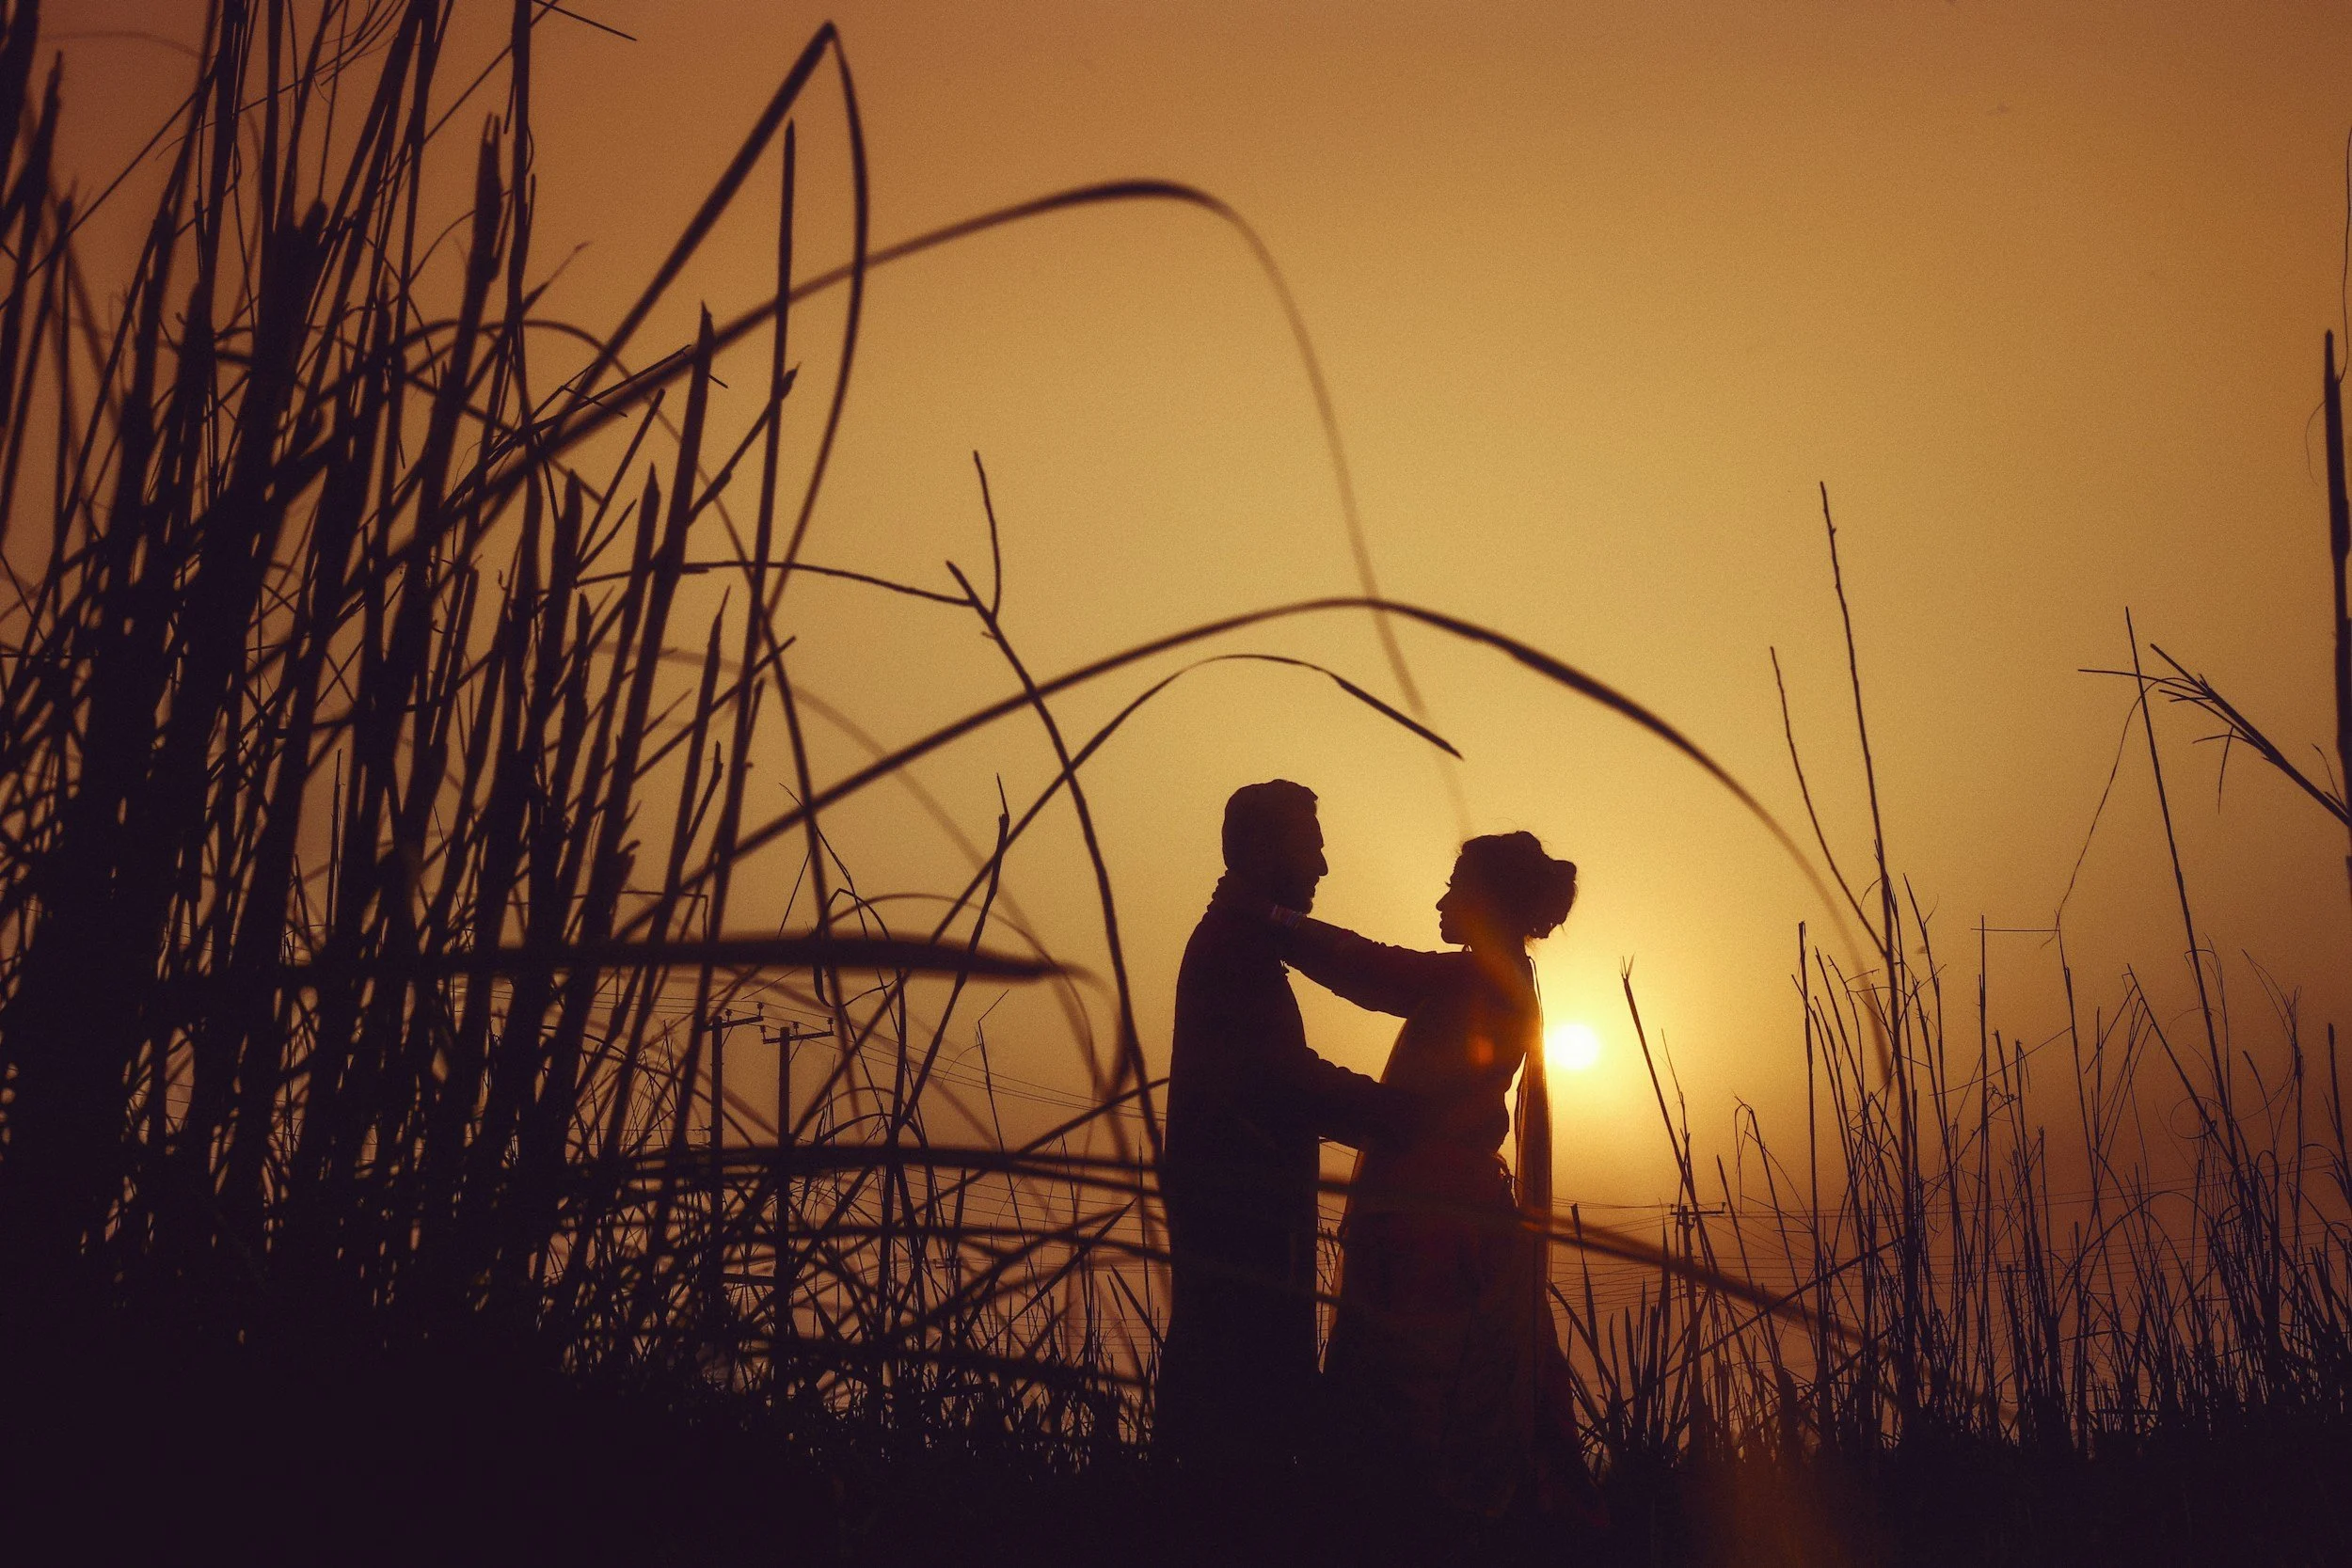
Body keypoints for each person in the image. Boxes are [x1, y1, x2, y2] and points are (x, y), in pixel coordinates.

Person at [1266, 831, 1594, 1524]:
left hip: (1431, 1219)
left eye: (1456, 886)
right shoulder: (1502, 977)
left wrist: (1273, 920)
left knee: (1414, 1386)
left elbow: (1371, 970)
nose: (1443, 898)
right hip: (1453, 1206)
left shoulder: (1480, 978)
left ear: (1487, 902)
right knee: (1449, 1384)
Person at [1154, 781, 1420, 1473]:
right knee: (1242, 1423)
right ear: (1264, 848)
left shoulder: (1242, 939)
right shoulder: (1232, 950)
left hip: (1242, 1217)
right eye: (1313, 847)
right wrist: (1401, 1114)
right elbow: (1286, 1076)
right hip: (1241, 1221)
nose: (1324, 866)